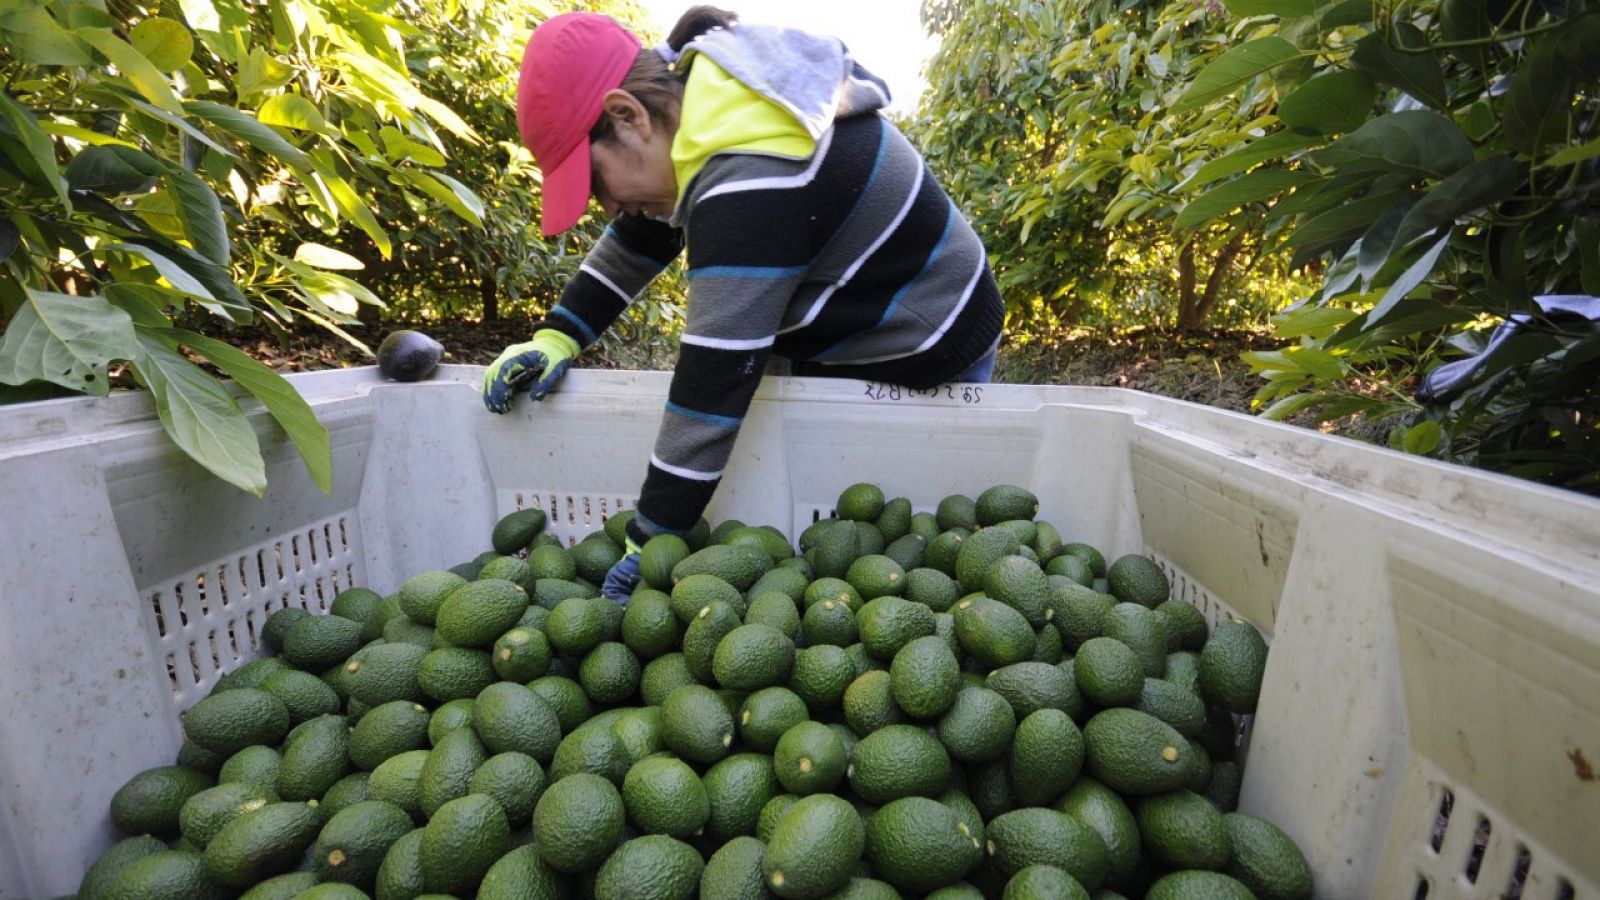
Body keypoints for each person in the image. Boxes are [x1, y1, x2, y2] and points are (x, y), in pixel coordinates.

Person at [483, 6, 1004, 601]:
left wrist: (652, 536)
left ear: (627, 116)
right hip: (853, 316)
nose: (605, 206)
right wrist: (559, 335)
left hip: (924, 335)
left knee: (891, 533)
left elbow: (716, 376)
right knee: (833, 533)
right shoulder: (708, 100)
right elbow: (641, 235)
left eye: (597, 185)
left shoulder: (754, 177)